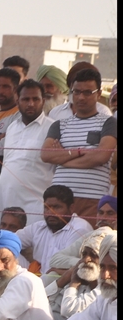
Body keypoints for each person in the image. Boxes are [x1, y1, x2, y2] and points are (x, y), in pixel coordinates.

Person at [40, 66, 117, 218]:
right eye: (76, 92)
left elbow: (101, 157)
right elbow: (46, 155)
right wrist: (79, 152)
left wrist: (63, 159)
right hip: (59, 199)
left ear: (99, 94)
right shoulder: (59, 125)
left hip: (92, 199)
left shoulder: (109, 123)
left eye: (87, 92)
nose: (81, 97)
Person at [0, 79, 54, 225]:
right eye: (26, 99)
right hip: (5, 199)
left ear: (43, 101)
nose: (31, 104)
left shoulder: (52, 128)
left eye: (35, 99)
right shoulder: (12, 127)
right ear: (17, 101)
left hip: (34, 206)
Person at [15, 184, 93, 274]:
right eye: (47, 208)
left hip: (63, 279)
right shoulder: (39, 227)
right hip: (38, 277)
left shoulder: (80, 228)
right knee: (6, 250)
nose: (50, 213)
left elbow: (65, 264)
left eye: (57, 207)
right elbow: (10, 240)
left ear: (71, 208)